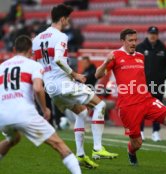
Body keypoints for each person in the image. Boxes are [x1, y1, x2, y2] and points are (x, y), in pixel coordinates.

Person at [32, 4, 118, 169]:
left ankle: (80, 155)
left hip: (51, 88)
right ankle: (98, 148)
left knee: (82, 111)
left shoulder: (37, 40)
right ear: (63, 18)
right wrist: (75, 75)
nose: (68, 22)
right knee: (99, 104)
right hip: (63, 84)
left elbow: (38, 66)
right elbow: (58, 59)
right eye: (68, 19)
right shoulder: (61, 36)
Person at [95, 28, 166, 168]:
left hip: (147, 100)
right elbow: (98, 75)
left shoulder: (140, 56)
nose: (133, 43)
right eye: (130, 40)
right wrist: (106, 62)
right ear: (123, 41)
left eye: (135, 40)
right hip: (129, 106)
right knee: (137, 143)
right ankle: (131, 152)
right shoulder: (115, 56)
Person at [0, 35, 81, 174]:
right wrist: (45, 109)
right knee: (59, 145)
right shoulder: (33, 65)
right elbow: (38, 88)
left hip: (3, 116)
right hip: (24, 113)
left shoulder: (2, 66)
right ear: (31, 50)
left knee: (13, 138)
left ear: (14, 49)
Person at [136, 26, 166, 142]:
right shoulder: (140, 48)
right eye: (151, 33)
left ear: (157, 35)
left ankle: (156, 132)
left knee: (157, 108)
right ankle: (140, 131)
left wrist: (163, 77)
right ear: (147, 34)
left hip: (158, 84)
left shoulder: (163, 49)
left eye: (155, 33)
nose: (153, 35)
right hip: (143, 84)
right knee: (141, 108)